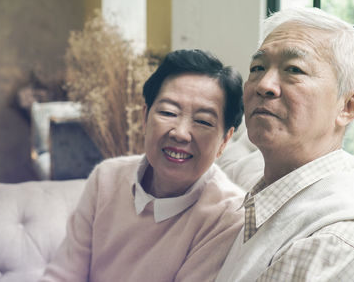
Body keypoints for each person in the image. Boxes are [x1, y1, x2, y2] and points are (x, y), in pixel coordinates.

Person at [216, 7, 354, 282]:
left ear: (348, 106)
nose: (264, 84)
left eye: (294, 70)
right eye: (257, 68)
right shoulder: (264, 200)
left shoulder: (337, 243)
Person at [39, 49, 245, 282]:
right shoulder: (106, 178)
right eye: (168, 112)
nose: (180, 133)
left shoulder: (229, 217)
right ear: (145, 118)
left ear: (225, 140)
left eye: (202, 121)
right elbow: (63, 274)